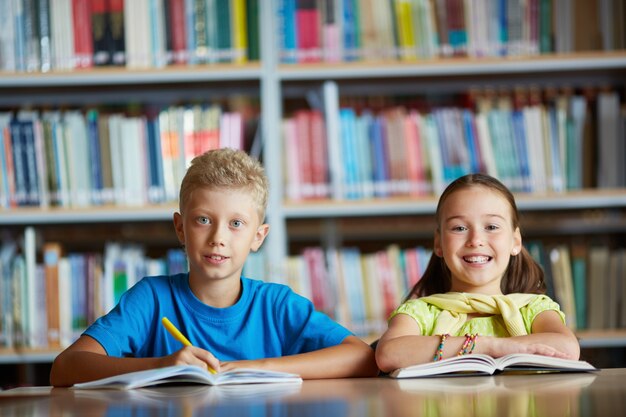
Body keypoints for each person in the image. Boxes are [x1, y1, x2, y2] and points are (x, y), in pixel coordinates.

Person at [51, 148, 378, 387]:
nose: (218, 237)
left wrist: (257, 368)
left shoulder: (276, 305)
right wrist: (164, 366)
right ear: (180, 228)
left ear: (258, 236)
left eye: (236, 223)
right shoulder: (151, 299)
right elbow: (65, 367)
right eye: (203, 220)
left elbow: (362, 357)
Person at [375, 173, 580, 373]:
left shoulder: (532, 308)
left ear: (515, 241)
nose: (475, 240)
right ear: (438, 243)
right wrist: (494, 347)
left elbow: (568, 349)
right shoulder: (421, 312)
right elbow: (388, 354)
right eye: (459, 228)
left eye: (491, 226)